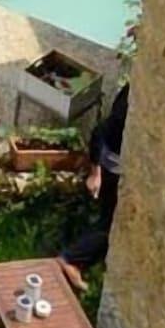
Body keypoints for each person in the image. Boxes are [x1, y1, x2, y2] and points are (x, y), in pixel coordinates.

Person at [60, 82, 129, 281]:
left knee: (108, 223)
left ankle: (77, 261)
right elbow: (100, 132)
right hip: (112, 168)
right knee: (111, 225)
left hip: (113, 166)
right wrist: (96, 173)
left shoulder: (131, 94)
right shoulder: (122, 118)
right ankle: (71, 259)